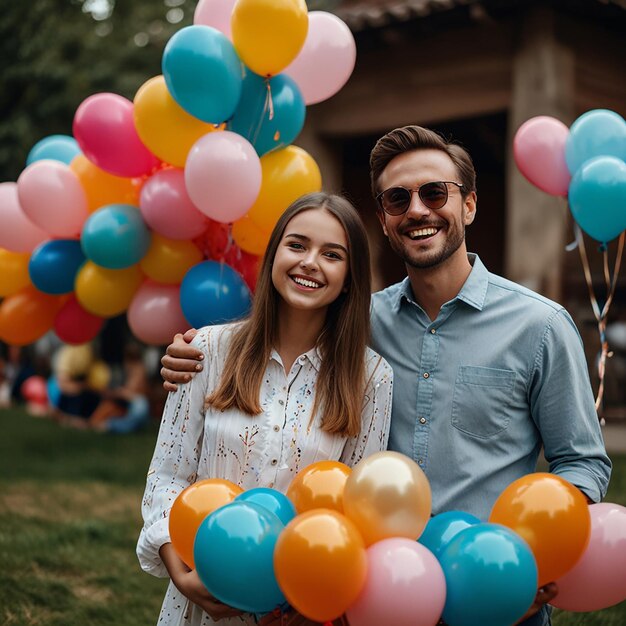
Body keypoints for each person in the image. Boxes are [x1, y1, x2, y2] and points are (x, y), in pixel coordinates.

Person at [161, 126, 612, 626]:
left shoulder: (541, 326)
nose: (417, 210)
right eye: (398, 199)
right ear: (384, 220)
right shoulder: (358, 326)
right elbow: (280, 329)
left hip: (495, 590)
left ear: (470, 205)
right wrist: (193, 352)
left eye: (435, 192)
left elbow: (582, 463)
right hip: (384, 596)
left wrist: (531, 561)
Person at [137, 192, 393, 626]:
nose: (310, 262)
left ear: (350, 277)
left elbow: (357, 513)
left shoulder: (372, 378)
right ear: (273, 255)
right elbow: (167, 475)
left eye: (332, 254)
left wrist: (308, 605)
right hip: (199, 596)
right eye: (297, 245)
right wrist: (180, 573)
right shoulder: (206, 350)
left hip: (300, 609)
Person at [89, 342, 150, 434]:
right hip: (137, 405)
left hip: (140, 404)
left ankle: (109, 426)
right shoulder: (138, 370)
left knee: (131, 421)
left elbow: (131, 394)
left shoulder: (137, 371)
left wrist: (115, 392)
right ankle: (108, 425)